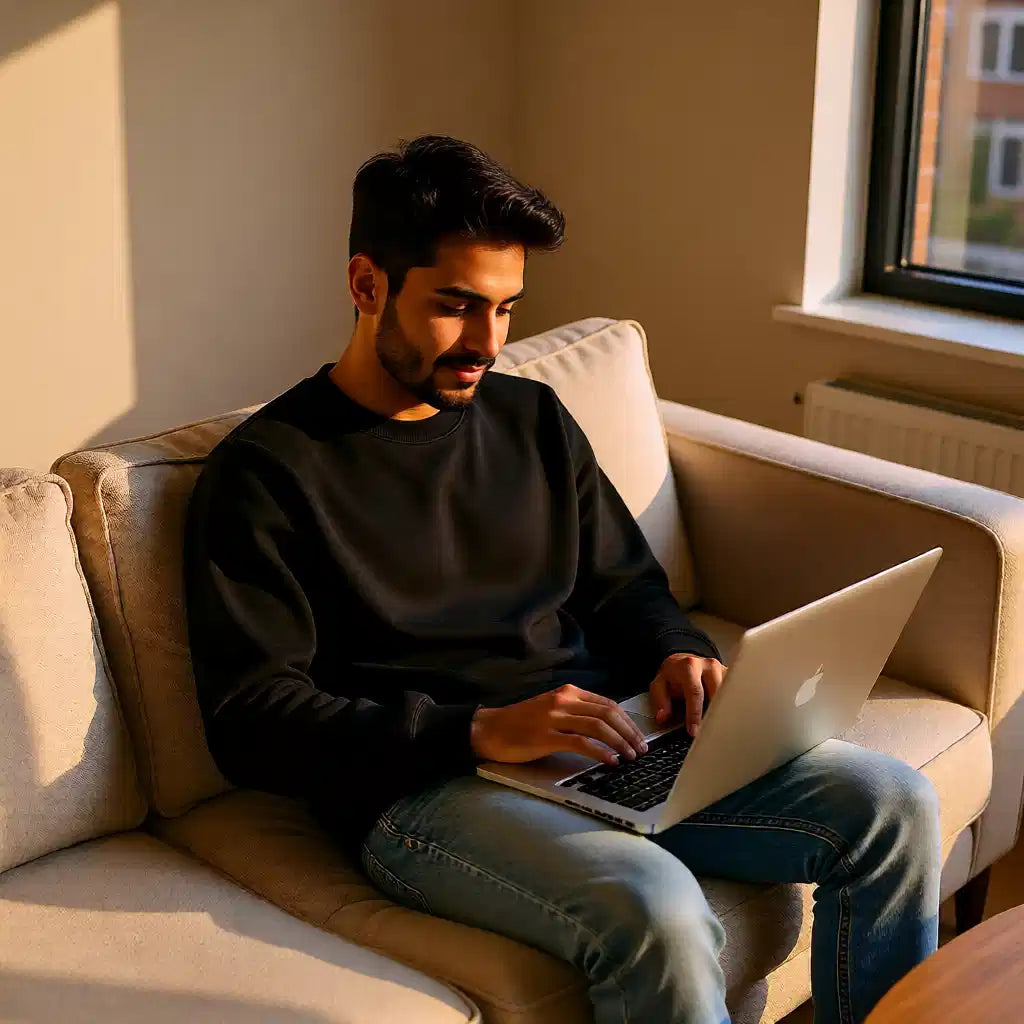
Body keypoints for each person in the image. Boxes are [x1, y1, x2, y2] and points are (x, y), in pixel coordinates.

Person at [183, 135, 941, 1024]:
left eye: (505, 309)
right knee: (657, 908)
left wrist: (677, 653)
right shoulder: (267, 473)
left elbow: (627, 586)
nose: (487, 343)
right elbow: (252, 720)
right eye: (457, 307)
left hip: (607, 742)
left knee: (892, 802)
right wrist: (476, 730)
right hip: (423, 792)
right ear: (366, 285)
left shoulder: (532, 418)